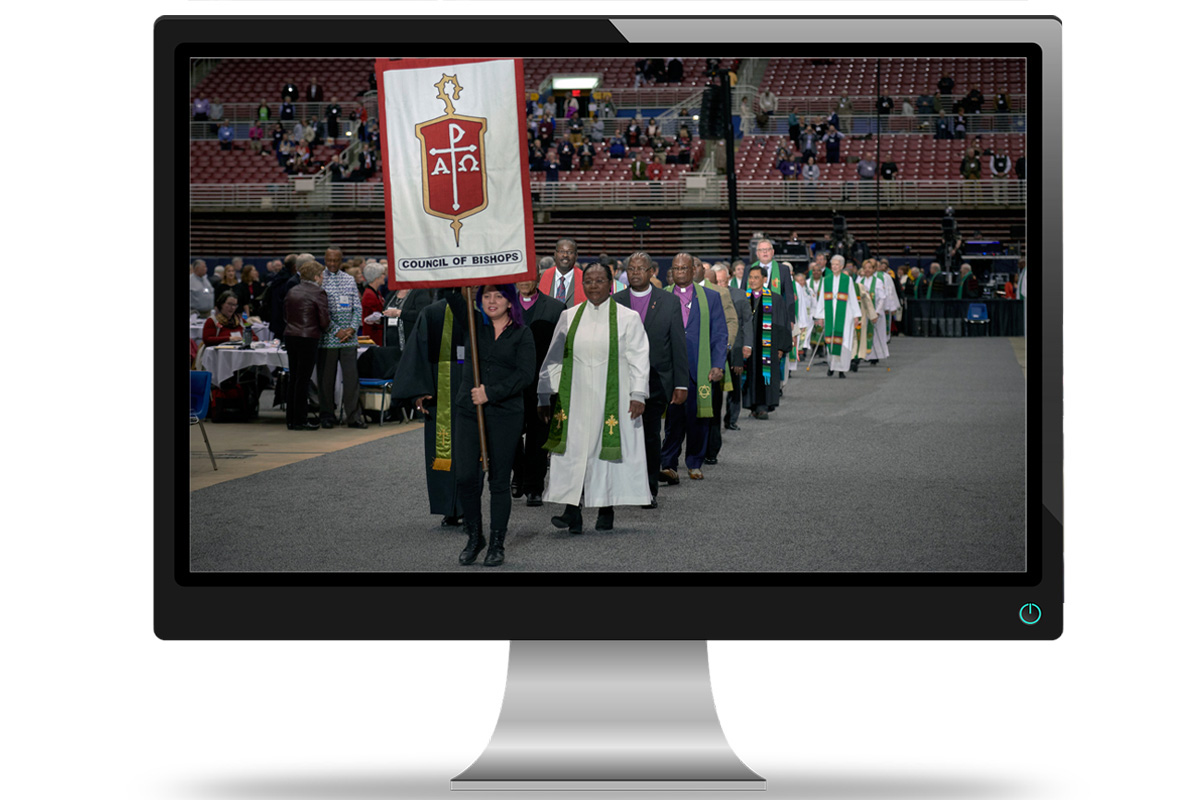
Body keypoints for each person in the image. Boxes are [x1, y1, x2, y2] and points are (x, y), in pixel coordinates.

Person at [539, 263, 652, 533]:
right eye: (588, 281)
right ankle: (571, 511)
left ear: (610, 284)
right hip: (576, 399)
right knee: (574, 454)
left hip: (612, 398)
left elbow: (639, 357)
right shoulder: (569, 316)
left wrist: (638, 393)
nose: (593, 285)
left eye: (599, 280)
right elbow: (554, 358)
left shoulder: (628, 318)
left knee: (605, 454)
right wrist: (545, 394)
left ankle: (606, 509)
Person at [440, 285, 537, 567]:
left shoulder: (522, 333)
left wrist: (490, 393)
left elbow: (525, 375)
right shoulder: (472, 323)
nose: (491, 301)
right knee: (466, 478)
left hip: (505, 413)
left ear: (510, 302)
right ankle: (474, 537)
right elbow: (449, 290)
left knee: (498, 481)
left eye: (498, 296)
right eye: (486, 296)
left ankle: (497, 542)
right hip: (469, 411)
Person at [613, 253, 687, 509]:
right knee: (622, 435)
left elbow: (678, 343)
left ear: (652, 272)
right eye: (631, 268)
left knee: (649, 436)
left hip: (656, 381)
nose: (635, 273)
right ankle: (622, 486)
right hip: (621, 381)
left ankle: (648, 489)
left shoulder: (669, 302)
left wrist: (681, 383)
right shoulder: (615, 301)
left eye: (641, 269)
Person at [392, 293, 468, 527]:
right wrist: (418, 391)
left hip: (477, 385)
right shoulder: (434, 313)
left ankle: (470, 506)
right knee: (444, 450)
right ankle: (450, 507)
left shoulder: (492, 306)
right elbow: (417, 352)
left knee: (473, 452)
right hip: (441, 387)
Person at [659, 253, 727, 482]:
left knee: (698, 419)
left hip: (700, 367)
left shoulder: (711, 297)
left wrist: (718, 364)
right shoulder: (662, 297)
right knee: (672, 419)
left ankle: (695, 462)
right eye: (675, 268)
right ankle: (668, 463)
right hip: (671, 369)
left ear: (693, 270)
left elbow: (719, 334)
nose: (679, 272)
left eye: (684, 268)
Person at [510, 273, 566, 507]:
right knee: (511, 433)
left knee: (538, 435)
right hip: (510, 382)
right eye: (519, 277)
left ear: (538, 278)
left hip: (542, 382)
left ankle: (534, 485)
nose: (524, 281)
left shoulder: (555, 308)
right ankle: (519, 473)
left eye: (529, 276)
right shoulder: (502, 304)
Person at [315, 246, 367, 429]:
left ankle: (353, 416)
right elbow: (320, 312)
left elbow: (357, 307)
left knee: (352, 379)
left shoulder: (349, 280)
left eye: (335, 260)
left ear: (341, 260)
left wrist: (352, 329)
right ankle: (327, 415)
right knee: (326, 380)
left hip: (349, 339)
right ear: (324, 259)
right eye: (329, 260)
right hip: (328, 338)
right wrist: (336, 330)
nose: (332, 264)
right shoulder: (319, 279)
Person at [281, 258, 330, 431]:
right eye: (322, 275)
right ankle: (300, 419)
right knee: (303, 379)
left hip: (291, 335)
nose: (323, 278)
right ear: (316, 277)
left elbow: (285, 315)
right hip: (308, 336)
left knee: (294, 377)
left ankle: (291, 419)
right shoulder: (319, 293)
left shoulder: (292, 290)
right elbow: (324, 321)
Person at [740, 264, 788, 419]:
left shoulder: (775, 298)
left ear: (764, 279)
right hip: (748, 345)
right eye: (751, 278)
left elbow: (782, 323)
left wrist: (781, 347)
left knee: (765, 374)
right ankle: (752, 405)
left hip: (768, 346)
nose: (752, 281)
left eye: (756, 278)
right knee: (749, 374)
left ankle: (763, 406)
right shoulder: (743, 298)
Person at [747, 238, 796, 384]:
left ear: (773, 252)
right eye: (762, 250)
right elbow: (744, 293)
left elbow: (789, 296)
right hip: (755, 318)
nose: (765, 253)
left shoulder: (783, 270)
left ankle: (775, 383)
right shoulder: (750, 269)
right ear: (757, 253)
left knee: (776, 351)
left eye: (767, 249)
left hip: (776, 319)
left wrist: (791, 319)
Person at [712, 264, 749, 432]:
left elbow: (744, 324)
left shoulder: (740, 295)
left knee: (734, 385)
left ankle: (732, 419)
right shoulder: (709, 296)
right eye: (716, 281)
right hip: (715, 348)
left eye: (722, 280)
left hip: (734, 347)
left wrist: (743, 349)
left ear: (728, 279)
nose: (720, 284)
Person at [812, 255, 861, 379]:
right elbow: (822, 300)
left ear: (842, 266)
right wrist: (820, 316)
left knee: (844, 341)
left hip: (845, 315)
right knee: (831, 341)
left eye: (837, 264)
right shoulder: (826, 279)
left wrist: (856, 315)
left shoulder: (847, 279)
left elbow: (852, 298)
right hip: (830, 315)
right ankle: (832, 366)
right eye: (832, 264)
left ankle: (842, 369)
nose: (834, 267)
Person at [857, 260, 889, 365]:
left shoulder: (878, 281)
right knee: (862, 334)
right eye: (865, 268)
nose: (867, 270)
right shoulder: (859, 280)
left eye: (870, 268)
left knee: (875, 334)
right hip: (862, 313)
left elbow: (882, 298)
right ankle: (862, 355)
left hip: (875, 312)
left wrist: (876, 312)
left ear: (874, 269)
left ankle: (874, 355)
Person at [537, 238, 586, 306]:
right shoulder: (541, 276)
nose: (565, 255)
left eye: (570, 252)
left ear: (576, 256)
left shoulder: (585, 279)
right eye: (561, 251)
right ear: (555, 254)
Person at [360, 262, 389, 345]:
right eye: (383, 274)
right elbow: (373, 319)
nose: (385, 276)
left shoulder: (376, 292)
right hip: (373, 338)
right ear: (377, 277)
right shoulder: (369, 295)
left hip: (377, 336)